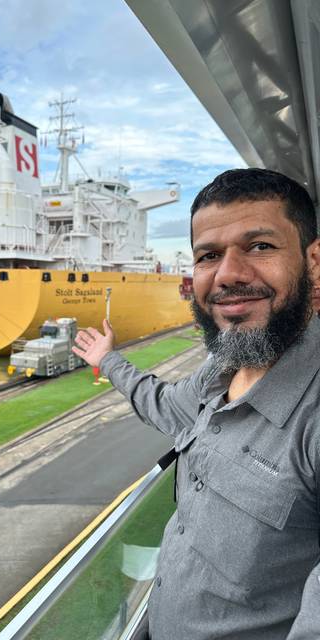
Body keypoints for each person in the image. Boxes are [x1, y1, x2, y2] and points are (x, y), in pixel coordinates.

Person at [72, 168, 320, 640]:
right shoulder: (220, 371)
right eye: (209, 256)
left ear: (314, 261)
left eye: (260, 246)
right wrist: (109, 360)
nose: (228, 275)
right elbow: (163, 404)